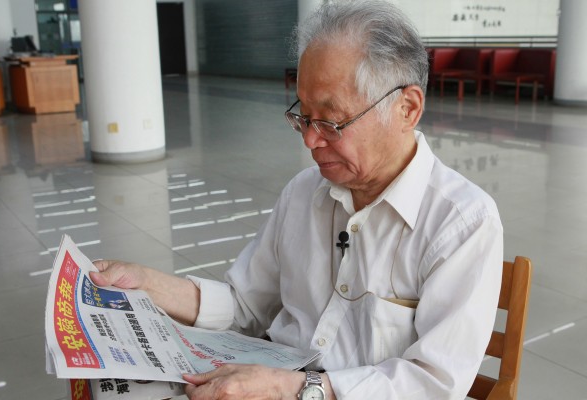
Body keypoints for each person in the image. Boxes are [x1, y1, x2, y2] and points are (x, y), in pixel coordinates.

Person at [90, 1, 503, 399]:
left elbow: (434, 382)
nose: (309, 140)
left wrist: (292, 389)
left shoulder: (461, 222)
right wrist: (148, 284)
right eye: (303, 117)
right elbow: (244, 306)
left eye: (331, 121)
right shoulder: (304, 193)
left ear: (406, 109)